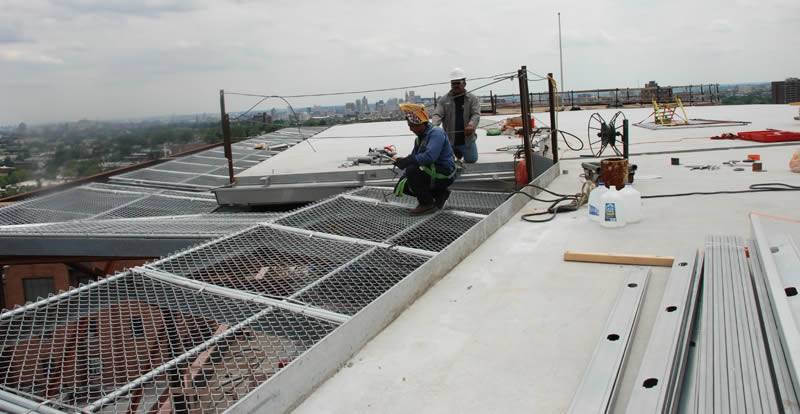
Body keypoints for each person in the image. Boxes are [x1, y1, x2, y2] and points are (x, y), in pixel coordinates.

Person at [393, 103, 456, 215]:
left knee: (412, 170)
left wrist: (408, 161)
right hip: (433, 171)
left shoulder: (436, 133)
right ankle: (440, 194)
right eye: (410, 126)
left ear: (421, 123)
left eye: (413, 126)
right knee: (404, 186)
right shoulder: (419, 139)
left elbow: (430, 156)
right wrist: (402, 161)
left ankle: (426, 204)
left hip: (445, 172)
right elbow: (415, 157)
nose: (411, 129)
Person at [431, 67, 481, 164]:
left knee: (472, 159)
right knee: (446, 162)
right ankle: (454, 153)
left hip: (467, 140)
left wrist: (471, 125)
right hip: (449, 141)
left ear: (464, 83)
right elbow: (437, 114)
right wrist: (434, 127)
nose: (455, 85)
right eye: (453, 83)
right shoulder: (444, 100)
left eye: (458, 83)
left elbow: (476, 114)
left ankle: (462, 152)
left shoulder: (473, 99)